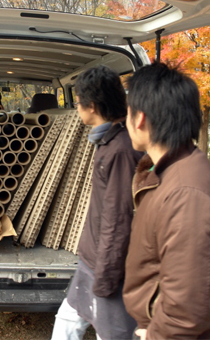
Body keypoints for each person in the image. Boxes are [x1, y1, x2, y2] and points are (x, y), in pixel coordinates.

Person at [123, 63, 210, 339]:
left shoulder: (186, 194)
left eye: (128, 112)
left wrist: (156, 335)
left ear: (140, 118)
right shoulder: (169, 168)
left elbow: (185, 308)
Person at [51, 66, 143, 340]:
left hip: (105, 265)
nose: (76, 108)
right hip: (92, 258)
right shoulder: (108, 140)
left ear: (91, 106)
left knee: (111, 333)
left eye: (77, 101)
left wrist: (106, 277)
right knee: (67, 320)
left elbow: (117, 219)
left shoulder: (120, 150)